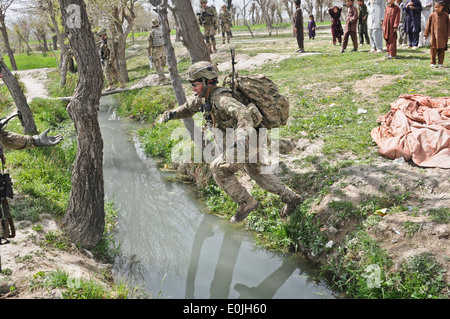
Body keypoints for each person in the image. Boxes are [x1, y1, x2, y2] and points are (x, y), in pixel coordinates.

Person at [159, 62, 303, 223]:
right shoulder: (204, 98)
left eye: (195, 84)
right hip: (251, 139)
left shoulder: (221, 99)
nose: (193, 88)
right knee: (259, 174)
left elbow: (243, 113)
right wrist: (171, 114)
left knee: (218, 168)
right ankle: (292, 198)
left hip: (246, 140)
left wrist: (241, 136)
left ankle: (246, 202)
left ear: (207, 82)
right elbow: (187, 108)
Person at [424, 1, 450, 68]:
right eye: (435, 7)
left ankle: (440, 63)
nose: (437, 8)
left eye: (438, 7)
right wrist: (426, 34)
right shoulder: (432, 15)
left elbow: (449, 26)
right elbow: (428, 25)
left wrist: (449, 34)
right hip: (434, 36)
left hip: (443, 36)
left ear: (442, 7)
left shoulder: (446, 15)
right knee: (433, 49)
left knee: (442, 50)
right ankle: (433, 62)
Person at [147, 19, 169, 85]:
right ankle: (161, 78)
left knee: (158, 66)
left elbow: (149, 44)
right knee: (162, 65)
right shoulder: (162, 31)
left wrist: (148, 52)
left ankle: (163, 80)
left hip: (155, 51)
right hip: (163, 50)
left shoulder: (152, 32)